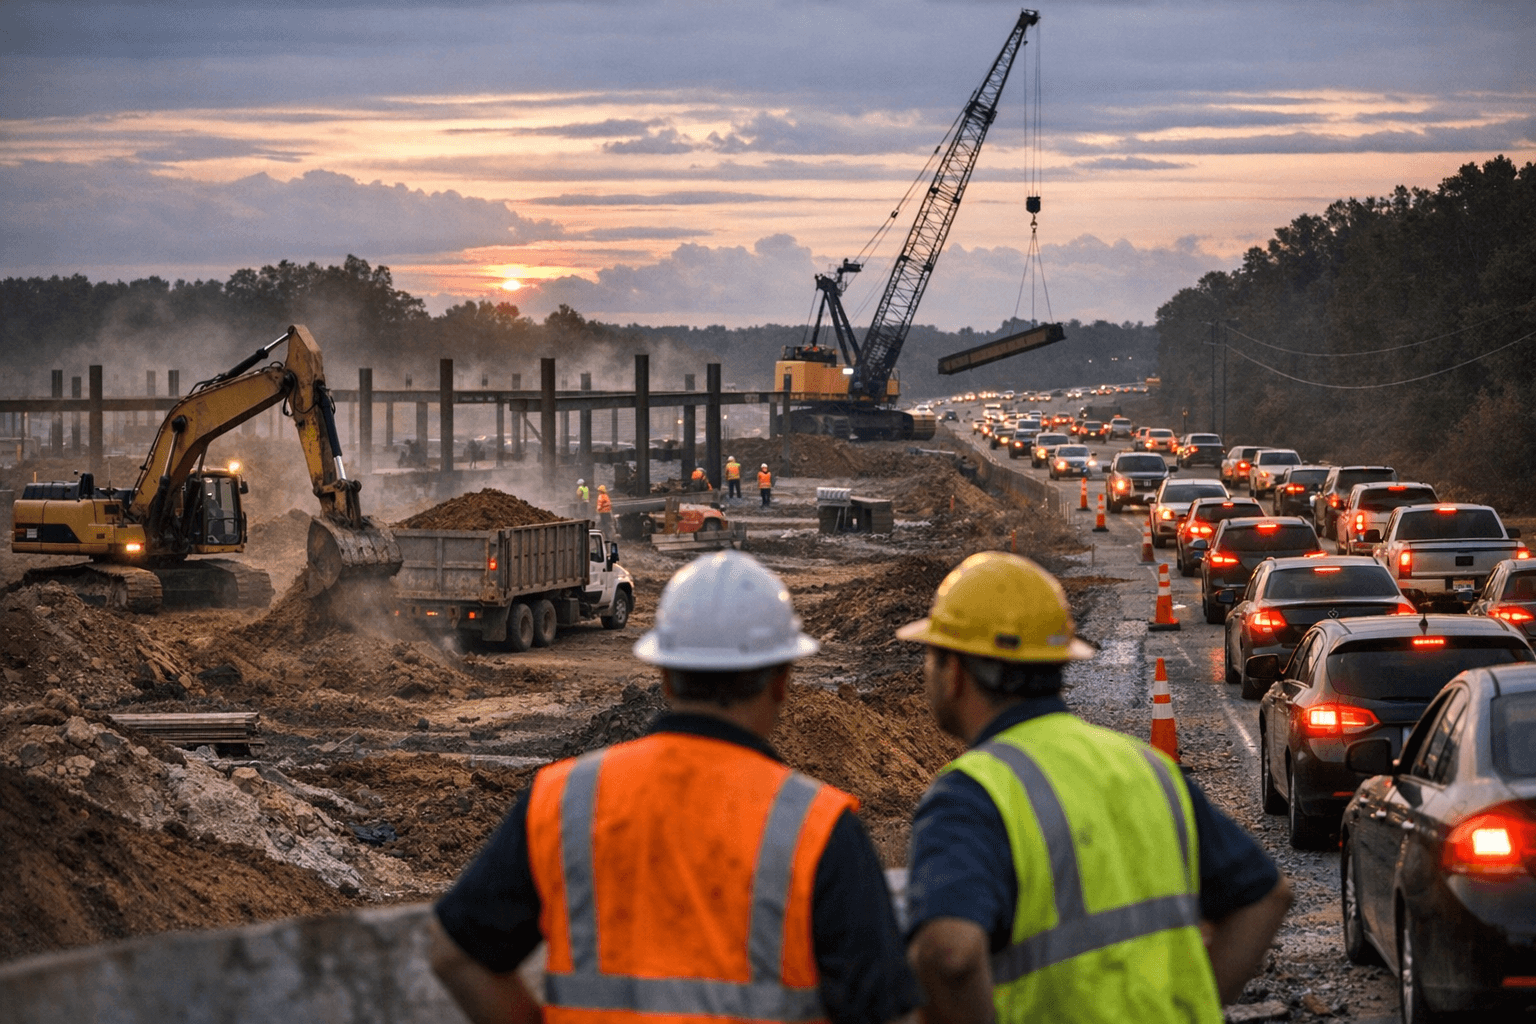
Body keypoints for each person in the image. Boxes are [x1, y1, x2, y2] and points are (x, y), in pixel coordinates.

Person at [430, 550, 921, 1024]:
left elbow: (454, 954)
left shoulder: (565, 800)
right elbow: (883, 1009)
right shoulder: (817, 826)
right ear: (781, 681)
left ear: (664, 676)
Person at [899, 552, 1292, 1024]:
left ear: (956, 672)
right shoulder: (1146, 767)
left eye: (932, 653)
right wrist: (1197, 1004)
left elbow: (950, 956)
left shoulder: (971, 795)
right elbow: (1268, 896)